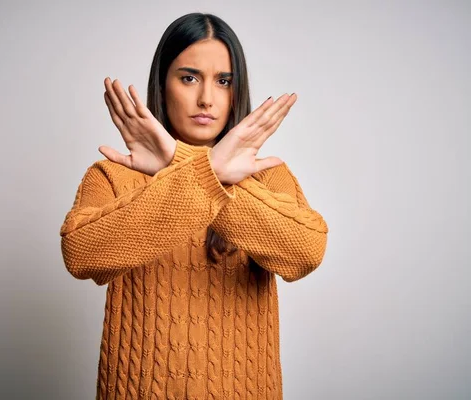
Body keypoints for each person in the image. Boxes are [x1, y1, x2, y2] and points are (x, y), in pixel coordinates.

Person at [59, 12, 328, 400]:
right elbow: (81, 254)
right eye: (189, 78)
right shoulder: (114, 175)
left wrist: (179, 162)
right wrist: (206, 170)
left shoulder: (265, 176)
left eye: (224, 81)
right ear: (162, 84)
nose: (207, 98)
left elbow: (306, 252)